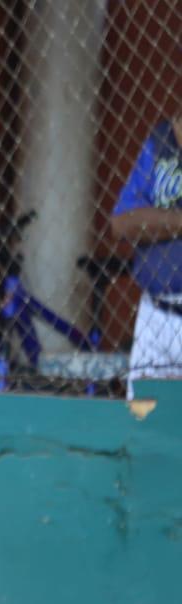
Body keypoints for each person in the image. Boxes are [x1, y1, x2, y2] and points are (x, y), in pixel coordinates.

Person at [112, 114, 182, 394]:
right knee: (143, 422)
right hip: (154, 313)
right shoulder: (162, 139)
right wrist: (178, 221)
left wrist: (156, 220)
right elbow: (122, 222)